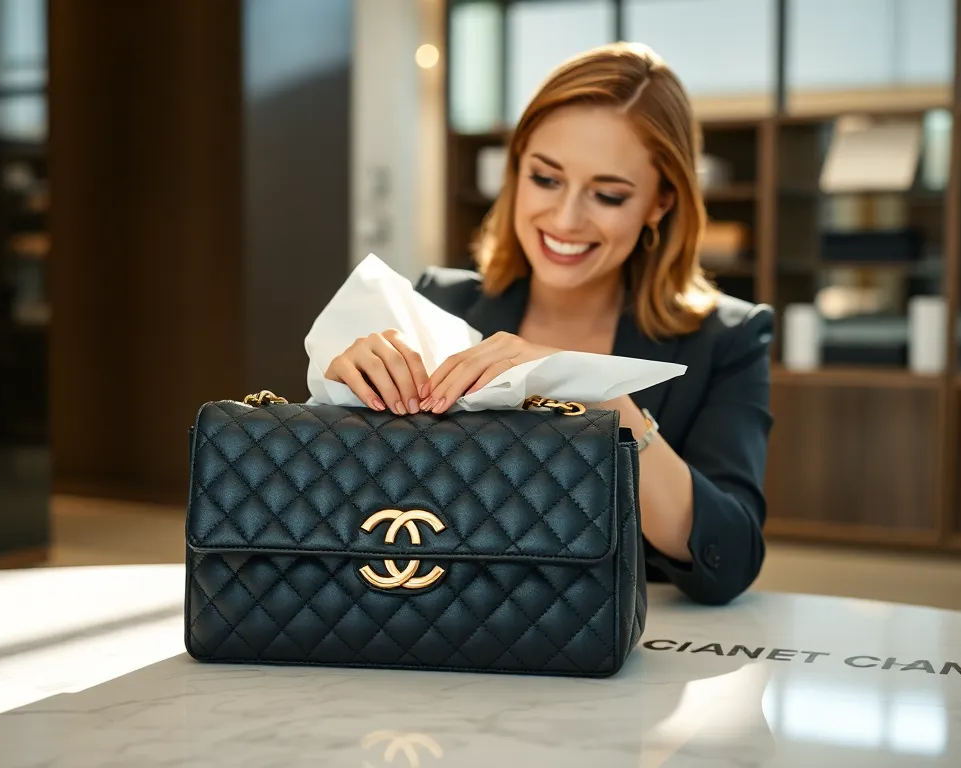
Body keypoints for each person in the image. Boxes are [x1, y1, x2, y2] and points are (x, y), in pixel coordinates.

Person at [324, 42, 773, 606]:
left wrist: (601, 397)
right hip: (446, 626)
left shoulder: (729, 338)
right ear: (516, 170)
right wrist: (340, 404)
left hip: (625, 652)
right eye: (545, 179)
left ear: (660, 203)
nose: (565, 219)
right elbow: (353, 516)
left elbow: (729, 557)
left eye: (608, 194)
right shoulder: (437, 306)